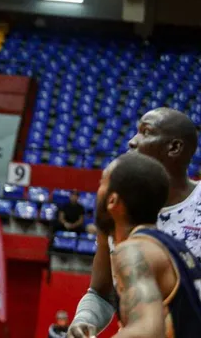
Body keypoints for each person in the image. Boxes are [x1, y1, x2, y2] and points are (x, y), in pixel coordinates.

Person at [69, 107, 201, 337]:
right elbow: (102, 293)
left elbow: (147, 328)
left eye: (145, 132)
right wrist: (84, 320)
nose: (131, 141)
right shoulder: (117, 218)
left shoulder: (136, 247)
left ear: (174, 147)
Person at [92, 152, 201, 338]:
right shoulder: (173, 247)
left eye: (102, 183)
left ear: (112, 200)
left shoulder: (134, 251)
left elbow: (146, 331)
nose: (96, 191)